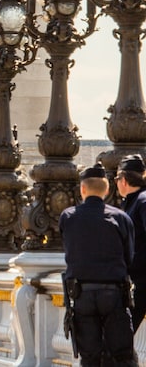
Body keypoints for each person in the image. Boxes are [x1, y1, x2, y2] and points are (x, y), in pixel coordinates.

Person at [60, 163, 137, 366]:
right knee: (122, 355)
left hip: (82, 294)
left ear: (82, 189)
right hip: (113, 293)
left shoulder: (68, 217)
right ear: (107, 189)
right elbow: (129, 256)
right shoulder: (121, 217)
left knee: (90, 356)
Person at [115, 153, 146, 330]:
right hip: (137, 280)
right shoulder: (135, 201)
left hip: (142, 282)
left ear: (124, 180)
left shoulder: (142, 201)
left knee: (121, 337)